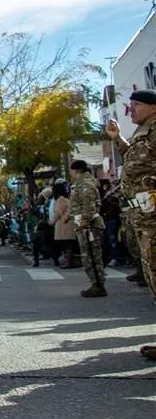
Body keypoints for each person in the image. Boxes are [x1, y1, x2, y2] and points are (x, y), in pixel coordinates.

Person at [106, 89, 156, 360]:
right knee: (152, 275)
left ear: (153, 107)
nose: (131, 109)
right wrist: (117, 138)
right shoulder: (142, 133)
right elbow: (135, 160)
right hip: (144, 217)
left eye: (136, 105)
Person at [67, 160, 106, 296]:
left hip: (90, 226)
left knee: (92, 256)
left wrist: (85, 225)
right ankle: (96, 283)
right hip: (84, 224)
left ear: (76, 170)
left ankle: (98, 285)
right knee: (88, 255)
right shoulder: (81, 183)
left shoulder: (85, 184)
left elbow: (88, 206)